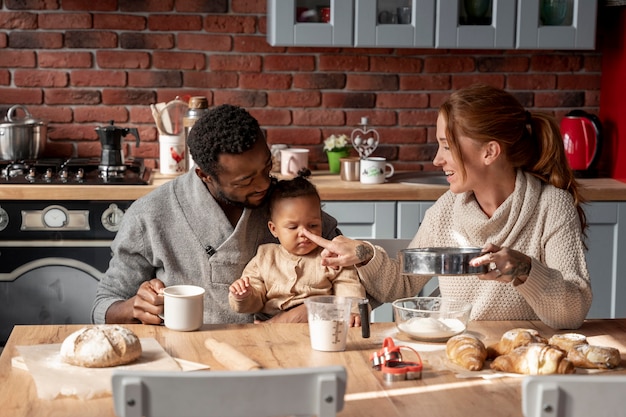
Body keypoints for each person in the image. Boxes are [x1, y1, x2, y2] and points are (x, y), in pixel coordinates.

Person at [303, 84, 592, 330]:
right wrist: (362, 253)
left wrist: (526, 269)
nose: (437, 160)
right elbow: (401, 284)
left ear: (489, 152)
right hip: (455, 354)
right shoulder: (446, 210)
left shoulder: (551, 206)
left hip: (523, 361)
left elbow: (572, 314)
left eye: (446, 146)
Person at [91, 104, 341, 326]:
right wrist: (134, 307)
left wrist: (295, 315)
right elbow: (103, 305)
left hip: (281, 353)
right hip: (185, 360)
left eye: (267, 167)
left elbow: (357, 288)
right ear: (205, 176)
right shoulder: (151, 214)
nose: (265, 184)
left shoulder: (287, 203)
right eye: (246, 181)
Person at [228, 171, 366, 326]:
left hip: (320, 323)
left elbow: (348, 283)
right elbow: (255, 298)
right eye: (293, 227)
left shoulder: (330, 256)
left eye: (313, 225)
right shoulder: (265, 256)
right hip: (271, 327)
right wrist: (244, 295)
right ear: (274, 229)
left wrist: (352, 309)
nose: (304, 233)